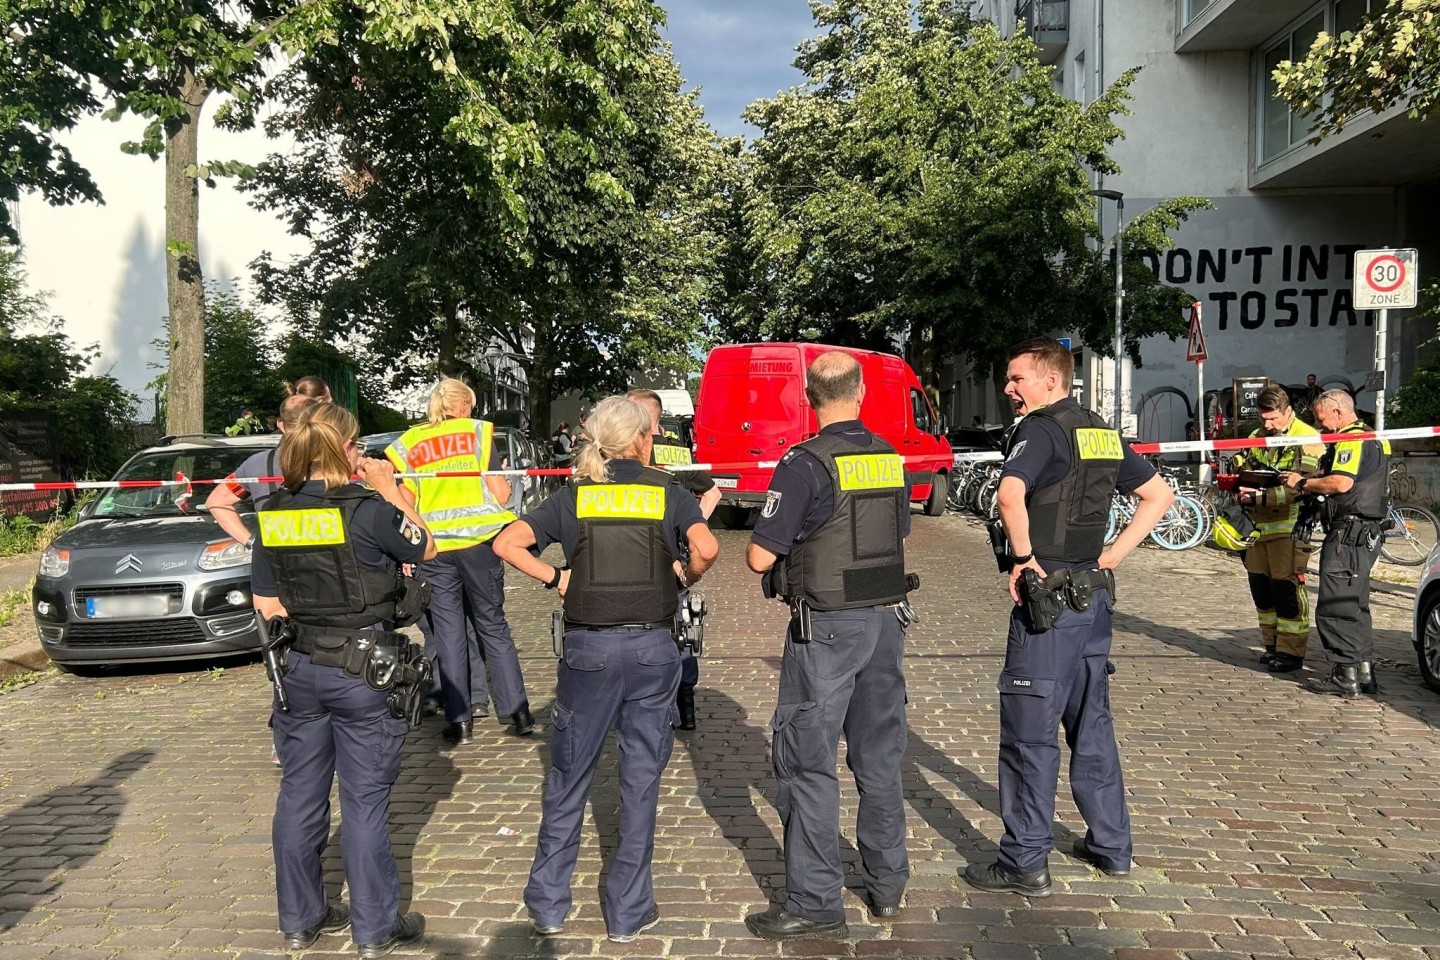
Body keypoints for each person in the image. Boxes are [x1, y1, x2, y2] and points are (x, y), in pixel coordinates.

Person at [493, 395, 718, 943]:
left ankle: (548, 904)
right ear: (643, 439)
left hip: (588, 652)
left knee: (568, 779)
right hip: (653, 652)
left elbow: (507, 541)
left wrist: (557, 579)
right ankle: (628, 911)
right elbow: (707, 548)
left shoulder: (575, 496)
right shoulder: (667, 492)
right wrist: (683, 576)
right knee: (640, 783)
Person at [964, 337, 1173, 897]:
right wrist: (1112, 556)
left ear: (1050, 380)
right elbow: (1158, 495)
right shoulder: (1101, 429)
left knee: (1031, 730)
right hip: (1094, 596)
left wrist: (1025, 557)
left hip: (1050, 598)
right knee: (1092, 724)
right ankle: (1111, 846)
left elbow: (1011, 494)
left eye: (1017, 379)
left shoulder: (1040, 428)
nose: (1009, 390)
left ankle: (1024, 860)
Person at [251, 403, 433, 957]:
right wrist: (390, 488)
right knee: (365, 801)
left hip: (300, 669)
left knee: (299, 795)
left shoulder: (273, 514)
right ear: (345, 451)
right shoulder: (371, 511)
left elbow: (265, 600)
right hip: (365, 671)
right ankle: (375, 927)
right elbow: (425, 544)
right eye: (357, 446)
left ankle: (300, 920)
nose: (363, 454)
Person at [743, 350, 914, 941]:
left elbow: (761, 555)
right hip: (887, 620)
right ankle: (887, 885)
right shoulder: (890, 457)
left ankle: (815, 900)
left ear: (807, 397)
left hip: (828, 629)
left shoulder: (803, 462)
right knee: (879, 759)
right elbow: (899, 531)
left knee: (807, 763)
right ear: (862, 393)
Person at [386, 378, 532, 741]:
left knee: (449, 634)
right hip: (479, 544)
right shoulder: (478, 433)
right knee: (492, 626)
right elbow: (498, 491)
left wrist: (419, 539)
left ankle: (460, 721)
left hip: (435, 549)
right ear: (465, 405)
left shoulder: (409, 443)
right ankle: (518, 714)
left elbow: (403, 500)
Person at [1282, 389, 1390, 698]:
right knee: (1356, 604)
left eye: (1322, 419)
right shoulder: (1375, 437)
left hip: (1349, 533)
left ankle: (1345, 675)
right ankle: (1364, 670)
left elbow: (1341, 482)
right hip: (1367, 532)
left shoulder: (1351, 439)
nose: (1320, 427)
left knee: (1335, 604)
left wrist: (1302, 482)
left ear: (1339, 412)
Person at [627, 388, 720, 730]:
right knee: (681, 628)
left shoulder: (631, 452)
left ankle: (650, 705)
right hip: (677, 555)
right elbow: (713, 492)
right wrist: (695, 525)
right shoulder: (679, 452)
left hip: (644, 552)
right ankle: (686, 707)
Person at [1234, 385, 1324, 672]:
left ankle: (1291, 652)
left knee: (1286, 591)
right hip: (1258, 527)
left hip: (1289, 527)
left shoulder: (1308, 438)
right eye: (1263, 418)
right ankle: (1271, 645)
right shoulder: (1256, 437)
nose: (1267, 424)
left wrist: (1259, 495)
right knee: (1262, 589)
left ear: (1289, 412)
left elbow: (1304, 486)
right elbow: (1242, 464)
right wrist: (1235, 479)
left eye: (1273, 419)